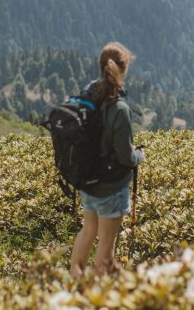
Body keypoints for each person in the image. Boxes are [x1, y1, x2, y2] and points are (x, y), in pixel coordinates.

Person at [70, 41, 145, 275]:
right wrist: (139, 155)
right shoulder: (120, 108)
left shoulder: (89, 92)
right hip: (110, 186)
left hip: (88, 180)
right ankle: (94, 296)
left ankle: (74, 280)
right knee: (106, 241)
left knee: (87, 231)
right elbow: (125, 155)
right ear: (124, 68)